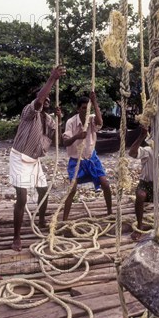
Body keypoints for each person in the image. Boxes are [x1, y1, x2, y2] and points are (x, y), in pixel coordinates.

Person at [9, 66, 65, 252]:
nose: (47, 100)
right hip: (19, 158)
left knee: (43, 191)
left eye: (49, 99)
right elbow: (39, 99)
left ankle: (41, 221)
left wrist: (59, 121)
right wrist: (52, 79)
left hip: (34, 161)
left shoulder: (48, 119)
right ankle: (16, 237)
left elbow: (59, 141)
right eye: (44, 98)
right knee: (22, 198)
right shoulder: (29, 112)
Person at [61, 91, 112, 221]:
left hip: (91, 158)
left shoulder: (91, 119)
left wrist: (94, 102)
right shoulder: (71, 122)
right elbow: (65, 142)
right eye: (83, 108)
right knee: (72, 189)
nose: (85, 111)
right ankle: (64, 219)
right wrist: (77, 136)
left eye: (87, 108)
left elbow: (100, 123)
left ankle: (110, 212)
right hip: (76, 160)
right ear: (78, 109)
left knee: (105, 184)